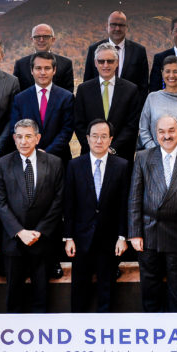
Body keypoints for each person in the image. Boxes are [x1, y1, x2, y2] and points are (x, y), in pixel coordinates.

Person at [128, 115, 177, 312]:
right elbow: (135, 197)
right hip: (148, 233)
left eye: (171, 131)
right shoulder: (143, 157)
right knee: (150, 289)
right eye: (162, 132)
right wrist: (135, 232)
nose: (167, 136)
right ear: (156, 134)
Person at [0, 119, 65, 313]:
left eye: (28, 136)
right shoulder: (2, 164)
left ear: (37, 138)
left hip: (42, 242)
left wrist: (39, 232)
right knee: (14, 297)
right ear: (14, 139)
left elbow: (58, 202)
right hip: (14, 242)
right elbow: (0, 203)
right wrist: (20, 232)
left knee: (41, 297)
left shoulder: (54, 163)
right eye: (19, 137)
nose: (23, 141)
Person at [63, 120, 132, 312]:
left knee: (107, 290)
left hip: (109, 240)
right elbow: (69, 204)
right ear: (87, 138)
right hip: (81, 238)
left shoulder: (122, 166)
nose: (99, 141)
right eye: (94, 136)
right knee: (79, 291)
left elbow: (124, 204)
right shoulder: (75, 166)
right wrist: (68, 237)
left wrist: (122, 236)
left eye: (103, 136)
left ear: (110, 139)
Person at [74, 43, 141, 160]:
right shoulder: (83, 89)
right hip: (90, 155)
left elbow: (132, 125)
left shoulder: (131, 90)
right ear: (95, 63)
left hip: (120, 155)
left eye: (110, 61)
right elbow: (79, 123)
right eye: (101, 61)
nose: (105, 65)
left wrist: (112, 148)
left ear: (117, 62)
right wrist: (94, 147)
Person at [8, 51, 75, 163]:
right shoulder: (20, 99)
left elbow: (67, 130)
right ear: (32, 71)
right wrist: (32, 151)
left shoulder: (66, 97)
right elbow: (14, 128)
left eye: (47, 68)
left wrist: (47, 152)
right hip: (27, 158)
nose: (42, 72)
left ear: (54, 70)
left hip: (58, 159)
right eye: (38, 68)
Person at [82, 11, 150, 98]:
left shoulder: (139, 51)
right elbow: (88, 82)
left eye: (121, 25)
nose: (117, 28)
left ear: (127, 28)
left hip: (130, 107)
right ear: (107, 27)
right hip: (100, 104)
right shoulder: (94, 49)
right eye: (113, 25)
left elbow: (143, 86)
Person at [13, 24, 75, 93]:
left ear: (53, 39)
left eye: (45, 37)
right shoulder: (20, 64)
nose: (41, 40)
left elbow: (68, 94)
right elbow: (17, 93)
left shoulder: (65, 64)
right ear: (32, 40)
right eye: (37, 37)